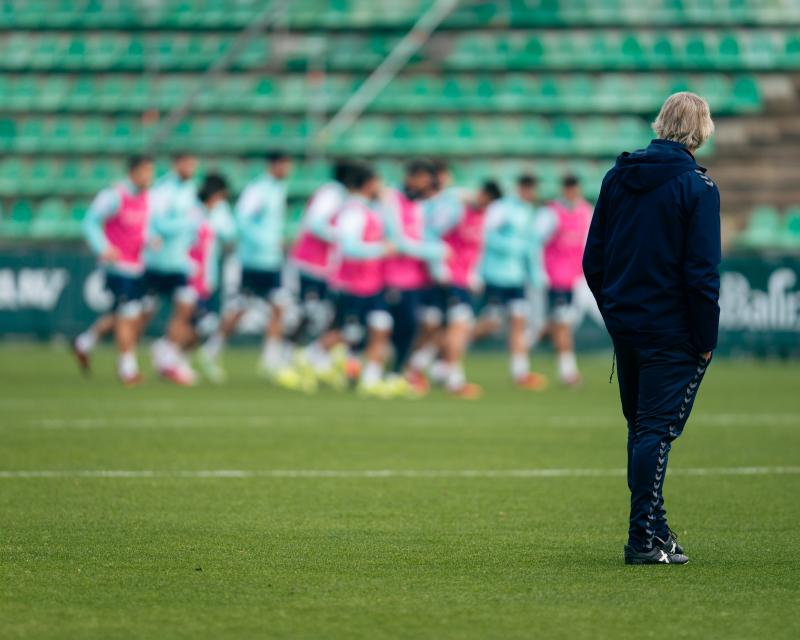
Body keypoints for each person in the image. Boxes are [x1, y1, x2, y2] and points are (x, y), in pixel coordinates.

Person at [583, 92, 720, 565]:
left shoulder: (617, 176)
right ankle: (642, 537)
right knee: (655, 431)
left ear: (662, 124)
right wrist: (705, 339)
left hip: (628, 325)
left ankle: (656, 528)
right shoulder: (698, 188)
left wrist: (615, 311)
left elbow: (592, 258)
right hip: (672, 330)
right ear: (702, 131)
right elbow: (701, 274)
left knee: (641, 429)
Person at [200, 150, 294, 384]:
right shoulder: (258, 191)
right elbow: (242, 220)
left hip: (271, 261)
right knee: (239, 309)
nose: (288, 169)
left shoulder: (278, 189)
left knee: (279, 306)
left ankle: (270, 359)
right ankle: (212, 349)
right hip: (253, 261)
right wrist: (267, 241)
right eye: (284, 164)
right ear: (274, 165)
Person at [311, 162, 397, 398]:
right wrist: (381, 250)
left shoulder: (370, 209)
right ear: (369, 183)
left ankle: (371, 378)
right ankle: (311, 356)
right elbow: (349, 248)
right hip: (351, 284)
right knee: (346, 333)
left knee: (381, 325)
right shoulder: (353, 212)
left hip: (371, 283)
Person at [76, 154, 155, 385]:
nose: (149, 177)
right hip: (117, 266)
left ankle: (84, 343)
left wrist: (151, 241)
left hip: (137, 266)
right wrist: (103, 247)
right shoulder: (113, 196)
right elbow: (90, 222)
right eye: (145, 172)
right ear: (133, 172)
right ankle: (127, 368)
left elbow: (141, 229)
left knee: (132, 312)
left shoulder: (146, 198)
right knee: (128, 314)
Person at [475, 174, 548, 391]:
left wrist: (536, 275)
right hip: (494, 276)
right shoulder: (501, 208)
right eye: (527, 188)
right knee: (490, 324)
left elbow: (531, 247)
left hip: (516, 278)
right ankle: (445, 351)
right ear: (519, 188)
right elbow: (484, 234)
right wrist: (510, 246)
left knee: (518, 321)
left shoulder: (528, 212)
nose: (530, 193)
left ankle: (520, 372)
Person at [380, 159, 444, 392]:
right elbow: (398, 241)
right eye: (424, 179)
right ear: (412, 177)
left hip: (416, 278)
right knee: (391, 327)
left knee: (413, 327)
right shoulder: (391, 198)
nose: (426, 185)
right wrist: (434, 251)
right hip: (393, 276)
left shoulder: (419, 204)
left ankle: (398, 372)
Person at [434, 179, 501, 399]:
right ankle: (454, 379)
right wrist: (440, 266)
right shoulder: (458, 209)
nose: (485, 203)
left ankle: (431, 367)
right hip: (450, 278)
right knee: (460, 326)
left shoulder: (482, 217)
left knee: (456, 328)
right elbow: (435, 232)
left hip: (464, 280)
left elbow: (475, 250)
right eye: (485, 198)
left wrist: (474, 275)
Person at [142, 153, 201, 385]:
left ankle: (167, 355)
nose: (190, 167)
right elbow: (159, 224)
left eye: (192, 163)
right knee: (140, 314)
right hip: (157, 261)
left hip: (179, 262)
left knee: (186, 307)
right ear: (176, 164)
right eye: (186, 163)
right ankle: (127, 358)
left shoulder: (190, 189)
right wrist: (187, 224)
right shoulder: (162, 190)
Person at [289, 160, 354, 345]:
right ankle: (291, 348)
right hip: (313, 262)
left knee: (320, 311)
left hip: (322, 263)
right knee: (311, 311)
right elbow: (315, 223)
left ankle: (306, 350)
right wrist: (339, 236)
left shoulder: (336, 194)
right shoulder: (332, 194)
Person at [539, 174, 593, 386]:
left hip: (577, 279)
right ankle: (568, 372)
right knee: (563, 324)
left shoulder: (585, 212)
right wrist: (540, 272)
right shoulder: (550, 213)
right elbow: (536, 243)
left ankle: (540, 336)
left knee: (562, 324)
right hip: (555, 279)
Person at [186, 173, 236, 382]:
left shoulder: (219, 211)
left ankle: (180, 356)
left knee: (203, 321)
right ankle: (172, 353)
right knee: (195, 320)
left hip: (209, 274)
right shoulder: (193, 211)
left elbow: (230, 234)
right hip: (192, 273)